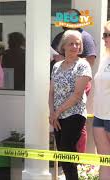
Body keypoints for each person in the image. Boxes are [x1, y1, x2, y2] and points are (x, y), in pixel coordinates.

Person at [51, 9, 97, 153]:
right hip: (59, 83)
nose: (74, 47)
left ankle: (80, 160)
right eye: (66, 16)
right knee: (62, 144)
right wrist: (53, 112)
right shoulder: (59, 37)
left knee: (76, 130)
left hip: (78, 83)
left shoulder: (85, 37)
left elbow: (90, 61)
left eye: (72, 17)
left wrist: (70, 60)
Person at [49, 30, 92, 180]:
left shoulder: (83, 65)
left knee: (67, 150)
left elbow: (77, 94)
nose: (74, 46)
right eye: (71, 43)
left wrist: (57, 112)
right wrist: (52, 113)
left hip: (74, 114)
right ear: (64, 46)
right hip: (57, 115)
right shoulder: (57, 66)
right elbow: (51, 92)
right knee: (63, 154)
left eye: (77, 44)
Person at [93, 21, 110, 179]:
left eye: (107, 34)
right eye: (103, 34)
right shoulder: (105, 58)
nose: (104, 38)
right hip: (99, 116)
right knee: (104, 162)